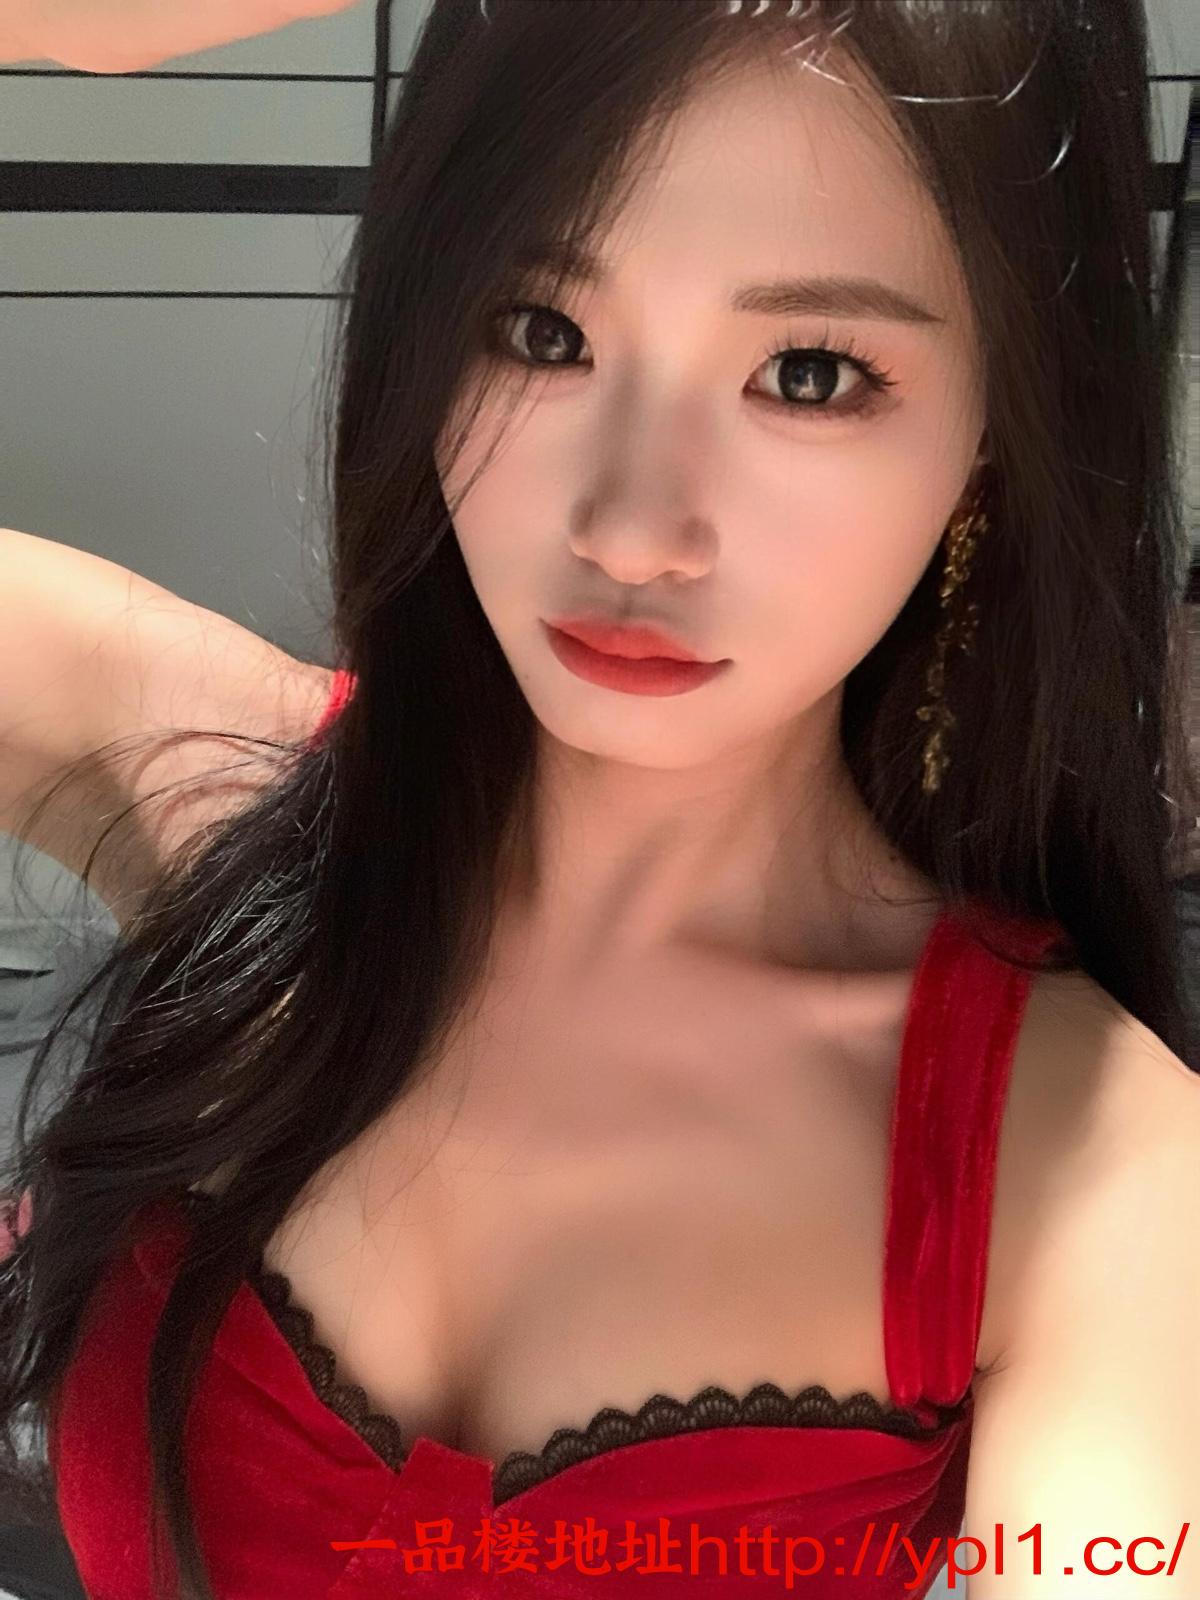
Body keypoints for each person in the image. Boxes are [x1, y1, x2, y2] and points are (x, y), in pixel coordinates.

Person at [0, 1, 1196, 1597]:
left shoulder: (1092, 1173)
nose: (633, 529)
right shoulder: (227, 803)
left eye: (810, 374)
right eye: (541, 332)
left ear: (996, 431)